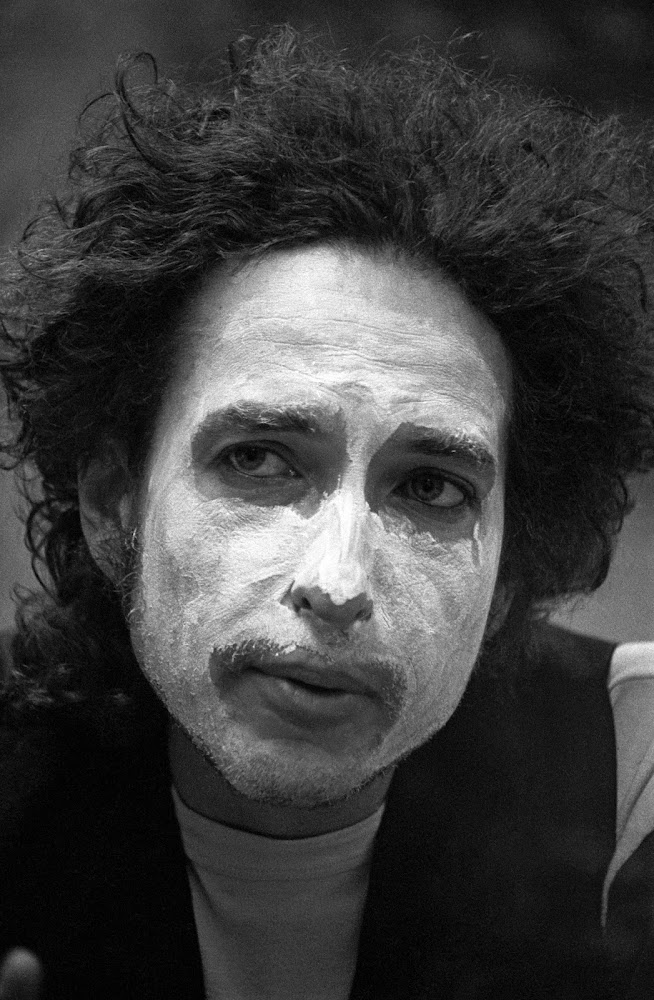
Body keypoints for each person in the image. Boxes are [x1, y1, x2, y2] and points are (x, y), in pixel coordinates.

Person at [0, 25, 653, 1000]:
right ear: (113, 503)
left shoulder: (633, 762)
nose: (337, 582)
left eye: (430, 487)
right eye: (257, 460)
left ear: (511, 561)